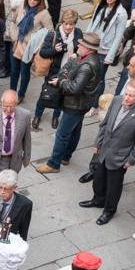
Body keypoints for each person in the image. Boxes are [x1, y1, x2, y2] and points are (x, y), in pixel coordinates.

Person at [81, 80, 135, 224]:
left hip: (121, 156)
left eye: (131, 96)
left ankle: (109, 211)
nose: (126, 98)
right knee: (98, 179)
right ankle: (97, 200)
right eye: (126, 94)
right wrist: (98, 144)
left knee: (113, 187)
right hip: (104, 150)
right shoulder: (117, 100)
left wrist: (131, 160)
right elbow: (105, 124)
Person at [35, 34, 103, 173]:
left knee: (62, 134)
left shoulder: (87, 66)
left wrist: (60, 81)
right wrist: (65, 74)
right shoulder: (85, 58)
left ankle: (53, 164)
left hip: (75, 105)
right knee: (75, 129)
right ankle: (66, 156)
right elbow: (67, 67)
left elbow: (74, 88)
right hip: (81, 104)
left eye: (82, 45)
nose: (78, 46)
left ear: (89, 49)